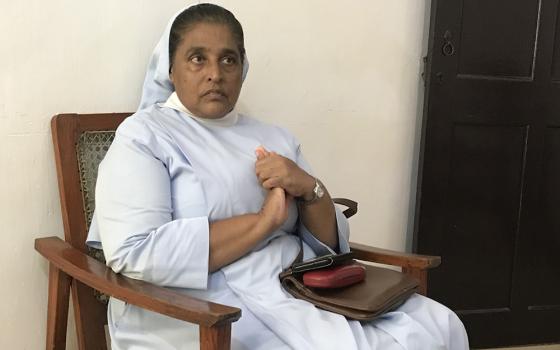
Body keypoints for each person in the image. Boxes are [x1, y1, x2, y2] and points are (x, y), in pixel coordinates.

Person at [86, 3, 469, 349]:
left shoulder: (273, 137)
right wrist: (263, 222)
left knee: (440, 325)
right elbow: (136, 251)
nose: (215, 74)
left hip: (294, 286)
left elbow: (329, 249)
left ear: (243, 68)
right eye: (197, 59)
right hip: (198, 305)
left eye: (228, 60)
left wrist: (311, 189)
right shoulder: (145, 135)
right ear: (170, 68)